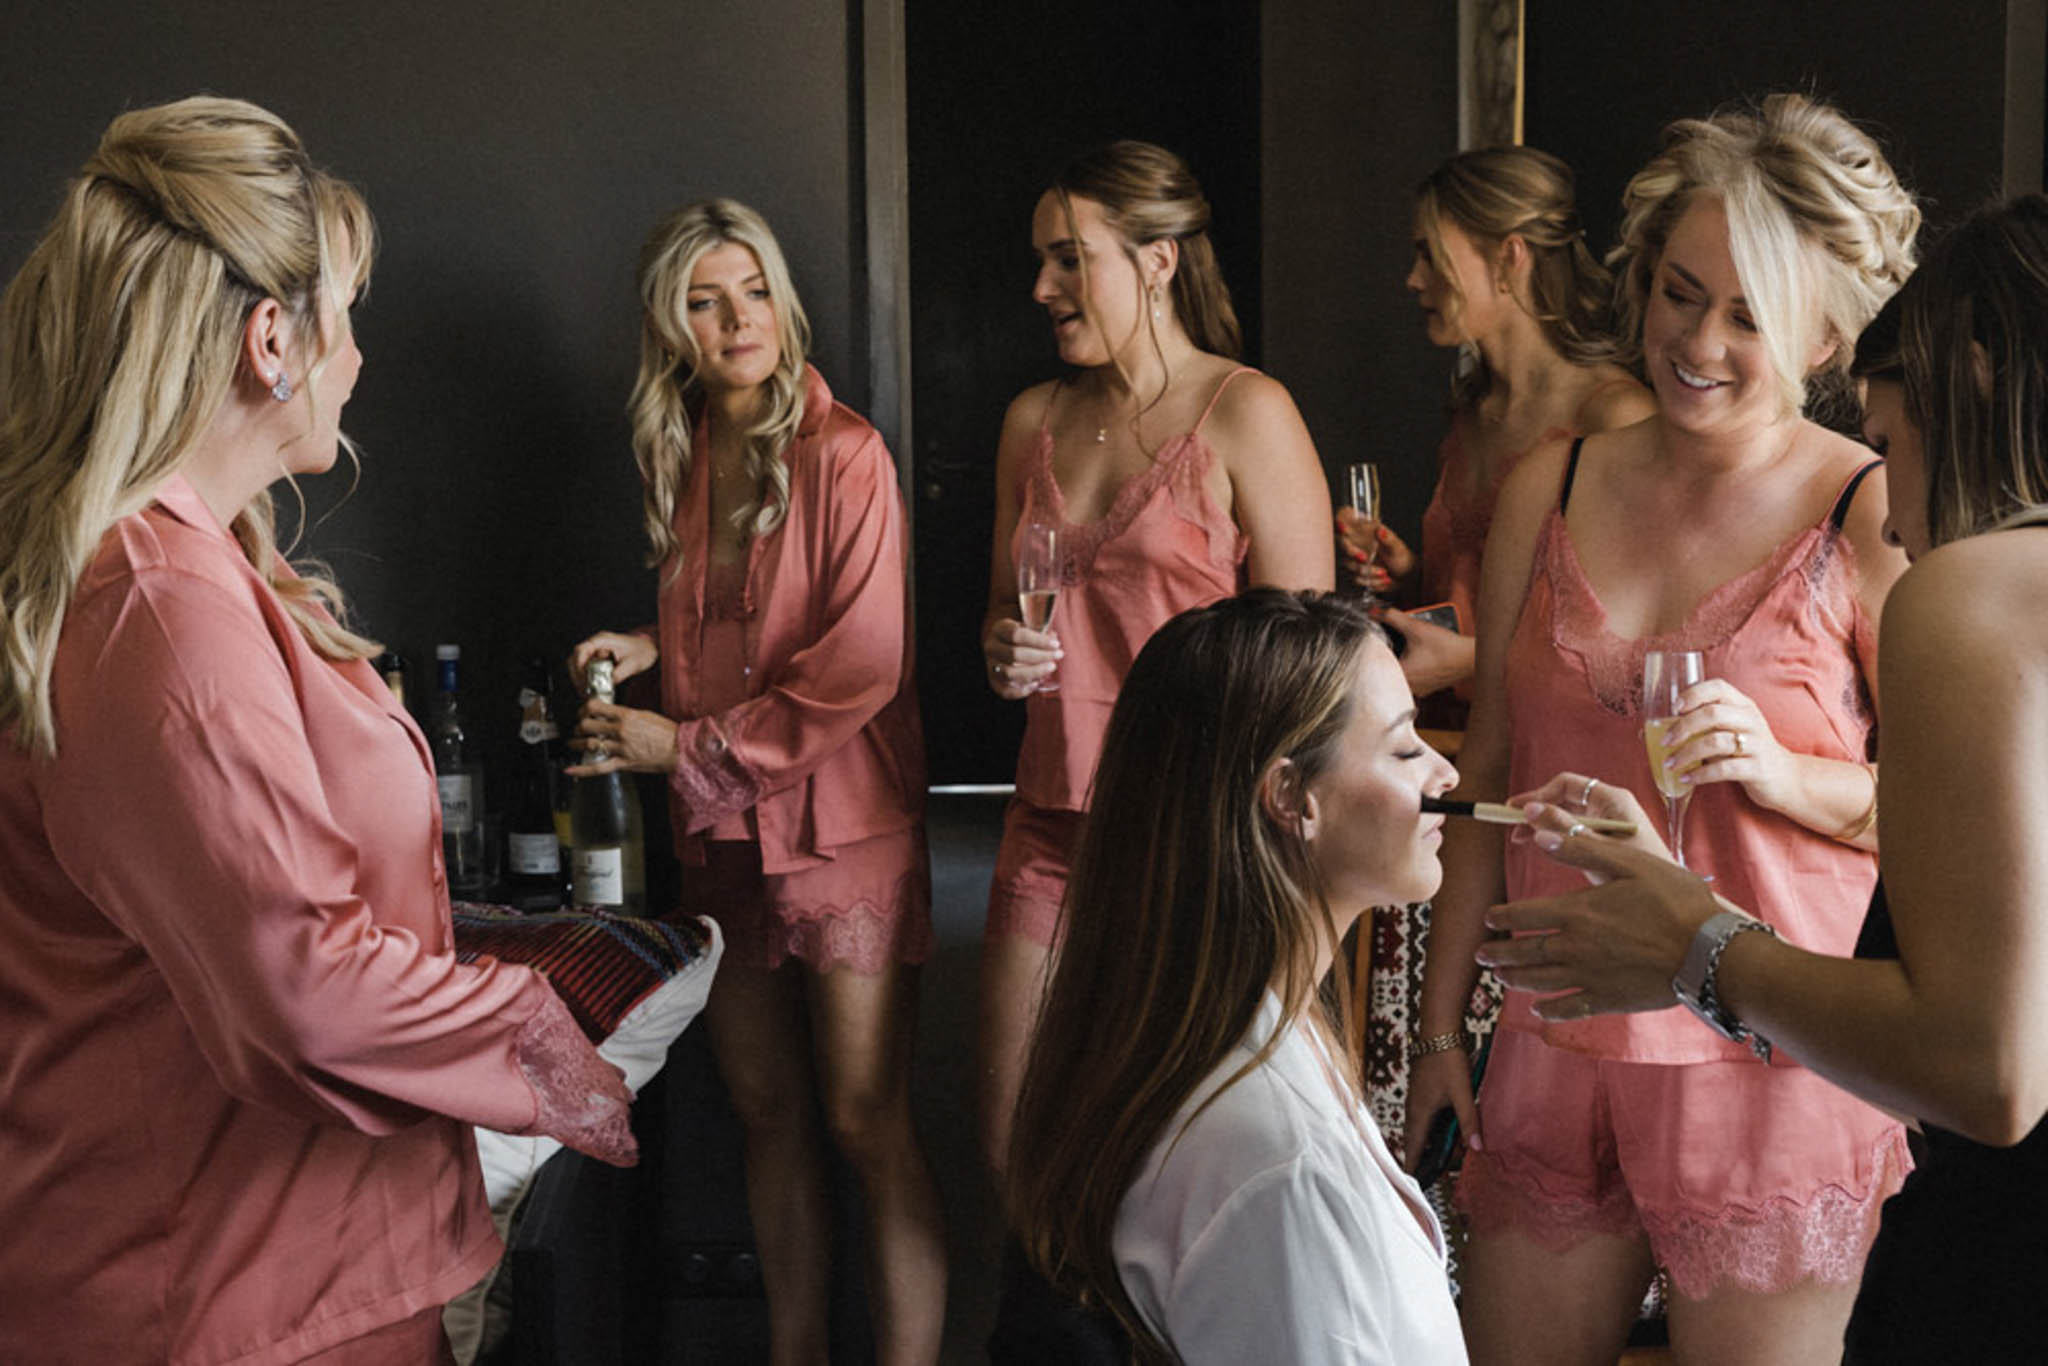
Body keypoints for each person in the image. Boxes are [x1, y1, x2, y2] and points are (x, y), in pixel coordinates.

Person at [0, 97, 638, 1365]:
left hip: (290, 1269)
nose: (360, 358)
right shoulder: (161, 609)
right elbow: (300, 986)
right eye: (350, 317)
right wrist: (547, 1037)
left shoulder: (204, 569)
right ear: (273, 339)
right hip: (225, 1299)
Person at [1480, 194, 2048, 1364]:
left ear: (1977, 382)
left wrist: (1697, 941)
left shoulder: (1974, 596)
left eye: (1892, 447)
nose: (1891, 524)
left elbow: (1990, 1075)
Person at [1407, 94, 1920, 1364]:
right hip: (1544, 1035)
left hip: (1768, 1055)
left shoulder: (1863, 512)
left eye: (1747, 315)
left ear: (1822, 337)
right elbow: (1486, 773)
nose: (1694, 340)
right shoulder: (1554, 479)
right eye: (1679, 293)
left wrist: (1785, 773)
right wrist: (1435, 1028)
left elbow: (1944, 814)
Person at [568, 198, 944, 1366]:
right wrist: (650, 642)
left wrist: (673, 747)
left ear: (781, 300)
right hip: (727, 838)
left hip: (840, 827)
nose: (736, 320)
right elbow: (745, 626)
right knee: (765, 1114)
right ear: (669, 325)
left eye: (750, 291)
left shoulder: (848, 455)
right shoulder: (685, 446)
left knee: (859, 1117)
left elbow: (860, 664)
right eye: (702, 298)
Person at [978, 140, 1333, 1173]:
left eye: (1067, 258)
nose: (1041, 286)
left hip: (1198, 835)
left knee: (1176, 1156)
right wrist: (1003, 648)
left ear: (1158, 260)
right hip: (1049, 822)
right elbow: (997, 618)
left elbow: (1310, 667)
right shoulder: (1028, 423)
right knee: (1012, 1144)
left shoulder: (1246, 414)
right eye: (1040, 261)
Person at [1007, 588, 1466, 1364]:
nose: (1447, 773)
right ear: (1291, 797)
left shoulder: (1228, 1032)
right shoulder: (1282, 1171)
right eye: (1403, 748)